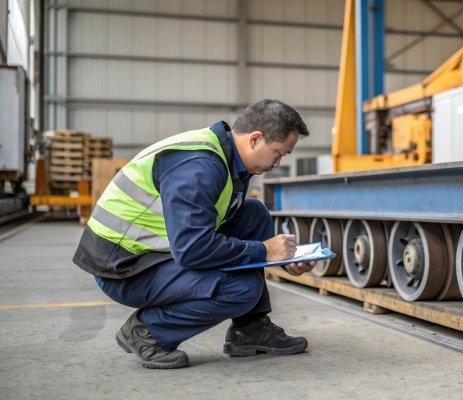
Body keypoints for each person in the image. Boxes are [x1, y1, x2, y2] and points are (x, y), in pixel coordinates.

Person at [73, 99, 315, 369]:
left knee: (253, 214)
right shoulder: (200, 166)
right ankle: (147, 332)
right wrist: (265, 251)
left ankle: (249, 330)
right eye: (279, 153)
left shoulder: (229, 160)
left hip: (155, 251)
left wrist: (283, 259)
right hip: (123, 267)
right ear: (255, 139)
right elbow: (193, 249)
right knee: (241, 289)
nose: (278, 163)